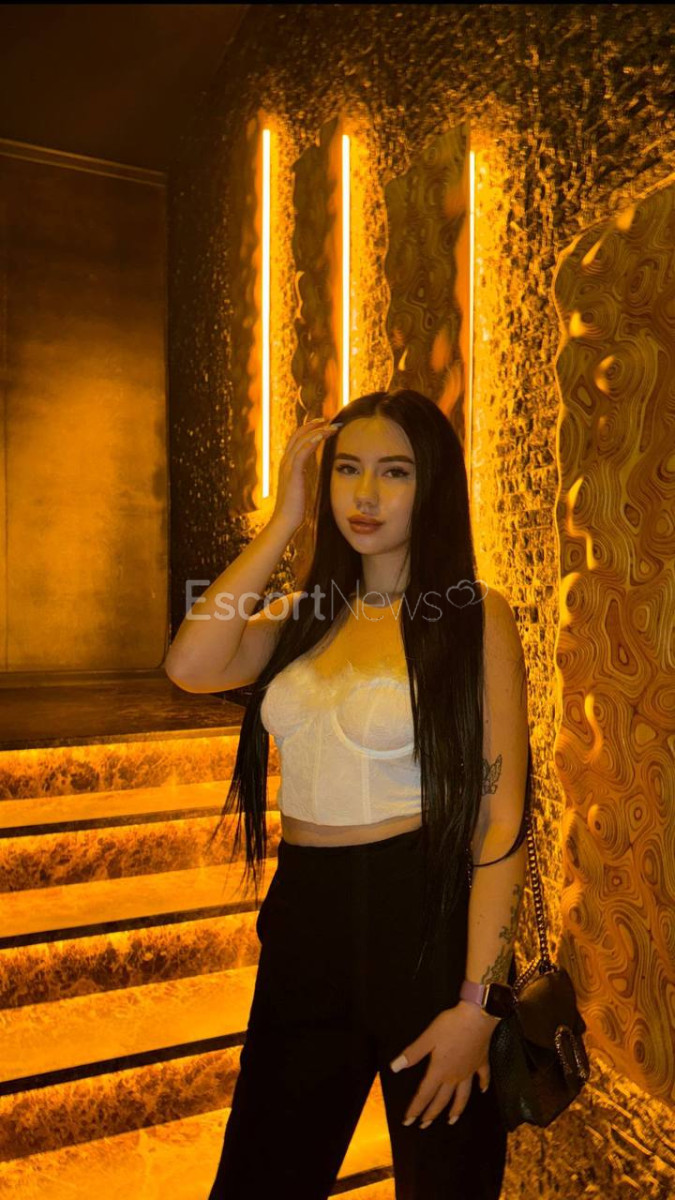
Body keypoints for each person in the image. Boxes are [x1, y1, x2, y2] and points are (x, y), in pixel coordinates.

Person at [165, 389, 531, 1200]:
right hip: (304, 918)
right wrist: (281, 523)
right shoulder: (307, 614)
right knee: (259, 1179)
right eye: (346, 470)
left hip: (422, 925)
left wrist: (479, 1004)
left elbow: (500, 814)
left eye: (394, 472)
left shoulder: (471, 616)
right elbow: (190, 666)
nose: (365, 495)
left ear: (432, 486)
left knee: (444, 1184)